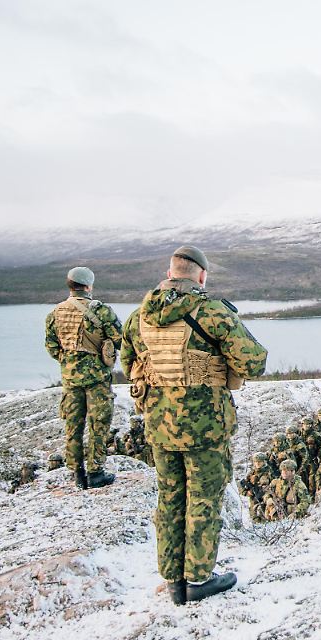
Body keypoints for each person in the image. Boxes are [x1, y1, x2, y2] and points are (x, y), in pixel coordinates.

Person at [120, 245, 268, 605]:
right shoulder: (212, 312)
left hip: (158, 424)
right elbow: (254, 362)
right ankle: (198, 579)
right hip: (205, 428)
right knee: (203, 498)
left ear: (170, 272)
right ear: (201, 275)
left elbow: (127, 363)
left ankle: (173, 579)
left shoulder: (139, 316)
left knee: (170, 498)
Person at [44, 266, 123, 490]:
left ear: (70, 285)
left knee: (73, 426)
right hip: (97, 378)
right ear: (89, 286)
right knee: (98, 425)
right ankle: (96, 472)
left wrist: (69, 361)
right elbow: (120, 339)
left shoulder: (55, 313)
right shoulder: (101, 311)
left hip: (70, 379)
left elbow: (51, 347)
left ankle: (77, 473)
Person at [238, 453, 274, 524]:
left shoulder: (270, 472)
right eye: (255, 461)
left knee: (266, 518)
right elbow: (242, 487)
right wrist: (247, 493)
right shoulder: (252, 473)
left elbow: (274, 485)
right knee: (255, 520)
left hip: (265, 498)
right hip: (253, 499)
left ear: (264, 462)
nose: (257, 463)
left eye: (259, 461)